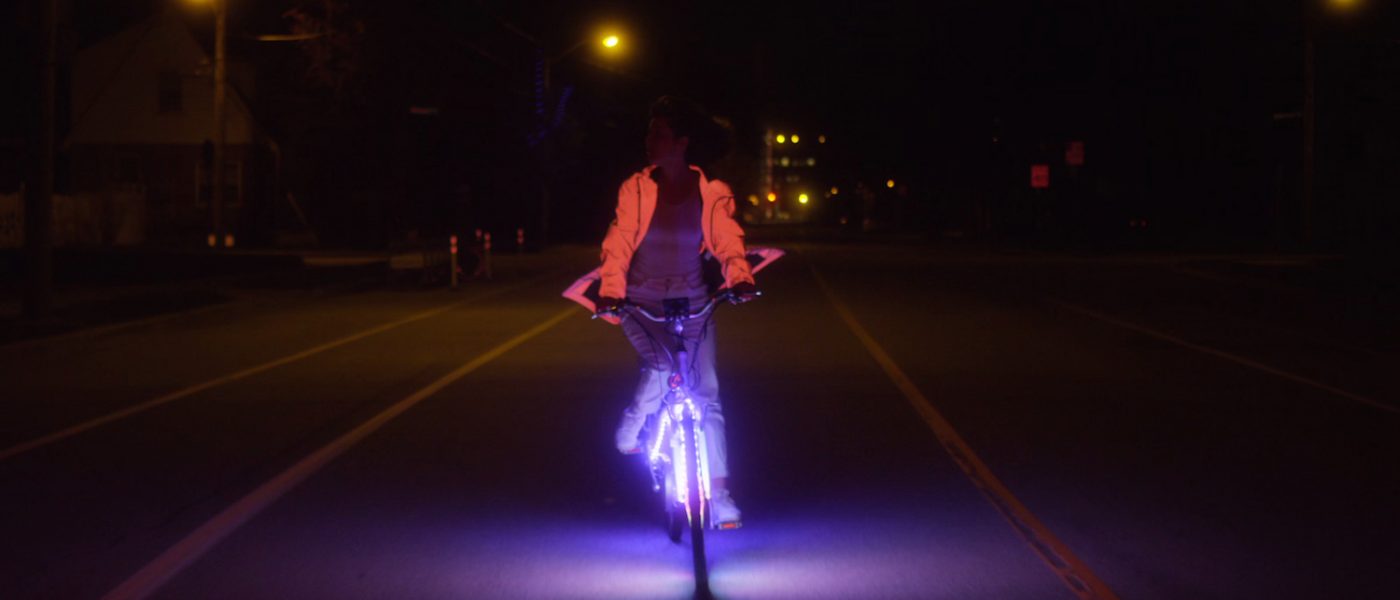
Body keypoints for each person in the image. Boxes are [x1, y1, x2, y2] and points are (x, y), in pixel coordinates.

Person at [595, 96, 758, 528]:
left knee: (708, 396)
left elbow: (727, 240)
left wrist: (740, 278)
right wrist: (611, 292)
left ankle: (720, 497)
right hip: (641, 301)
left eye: (660, 133)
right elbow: (619, 242)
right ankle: (633, 424)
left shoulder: (711, 192)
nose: (650, 140)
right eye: (650, 132)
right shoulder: (636, 189)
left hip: (694, 301)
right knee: (662, 364)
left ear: (682, 143)